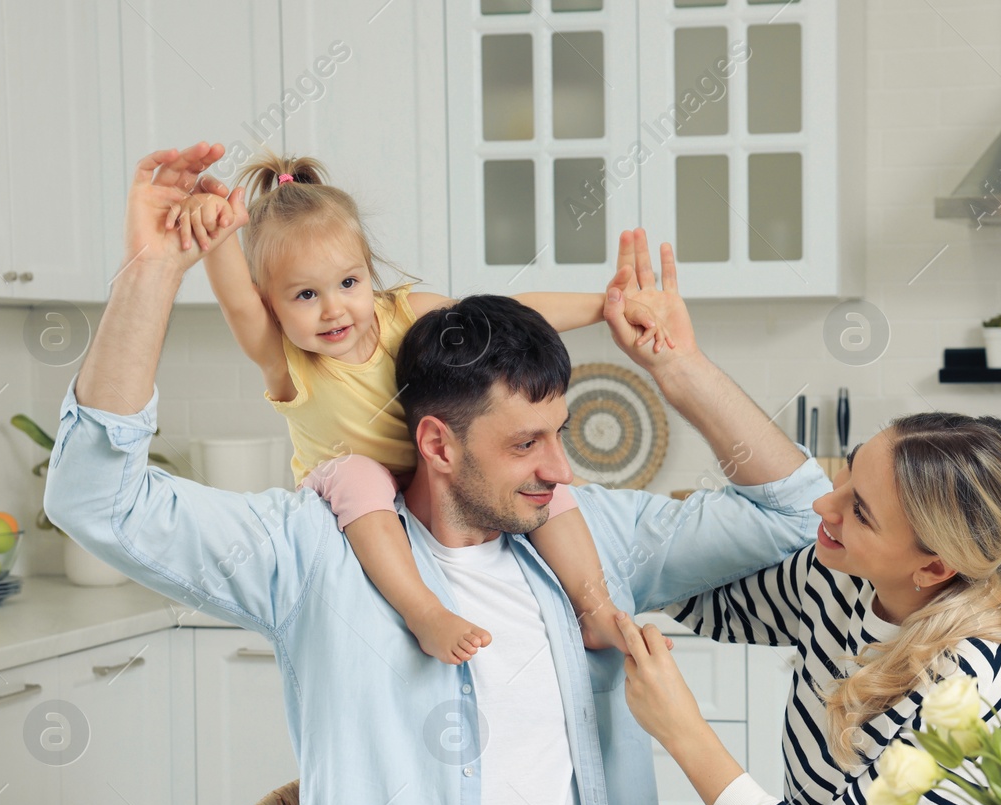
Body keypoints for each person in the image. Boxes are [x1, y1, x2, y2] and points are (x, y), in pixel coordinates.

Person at [44, 143, 826, 805]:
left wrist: (679, 367)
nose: (561, 469)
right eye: (526, 444)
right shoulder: (311, 552)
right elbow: (94, 498)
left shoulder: (588, 529)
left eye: (558, 434)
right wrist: (151, 272)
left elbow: (800, 516)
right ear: (439, 446)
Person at [175, 149, 665, 662]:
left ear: (369, 273)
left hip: (424, 488)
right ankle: (424, 612)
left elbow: (508, 317)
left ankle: (594, 611)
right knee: (359, 472)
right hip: (347, 500)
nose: (333, 308)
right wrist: (216, 237)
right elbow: (235, 302)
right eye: (304, 295)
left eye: (348, 282)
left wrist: (606, 308)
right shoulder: (288, 362)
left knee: (548, 486)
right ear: (269, 303)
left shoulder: (404, 315)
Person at [615, 413, 1001, 805]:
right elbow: (721, 605)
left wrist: (683, 731)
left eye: (860, 511)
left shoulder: (971, 694)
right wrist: (605, 545)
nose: (822, 505)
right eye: (849, 474)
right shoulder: (845, 575)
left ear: (934, 567)